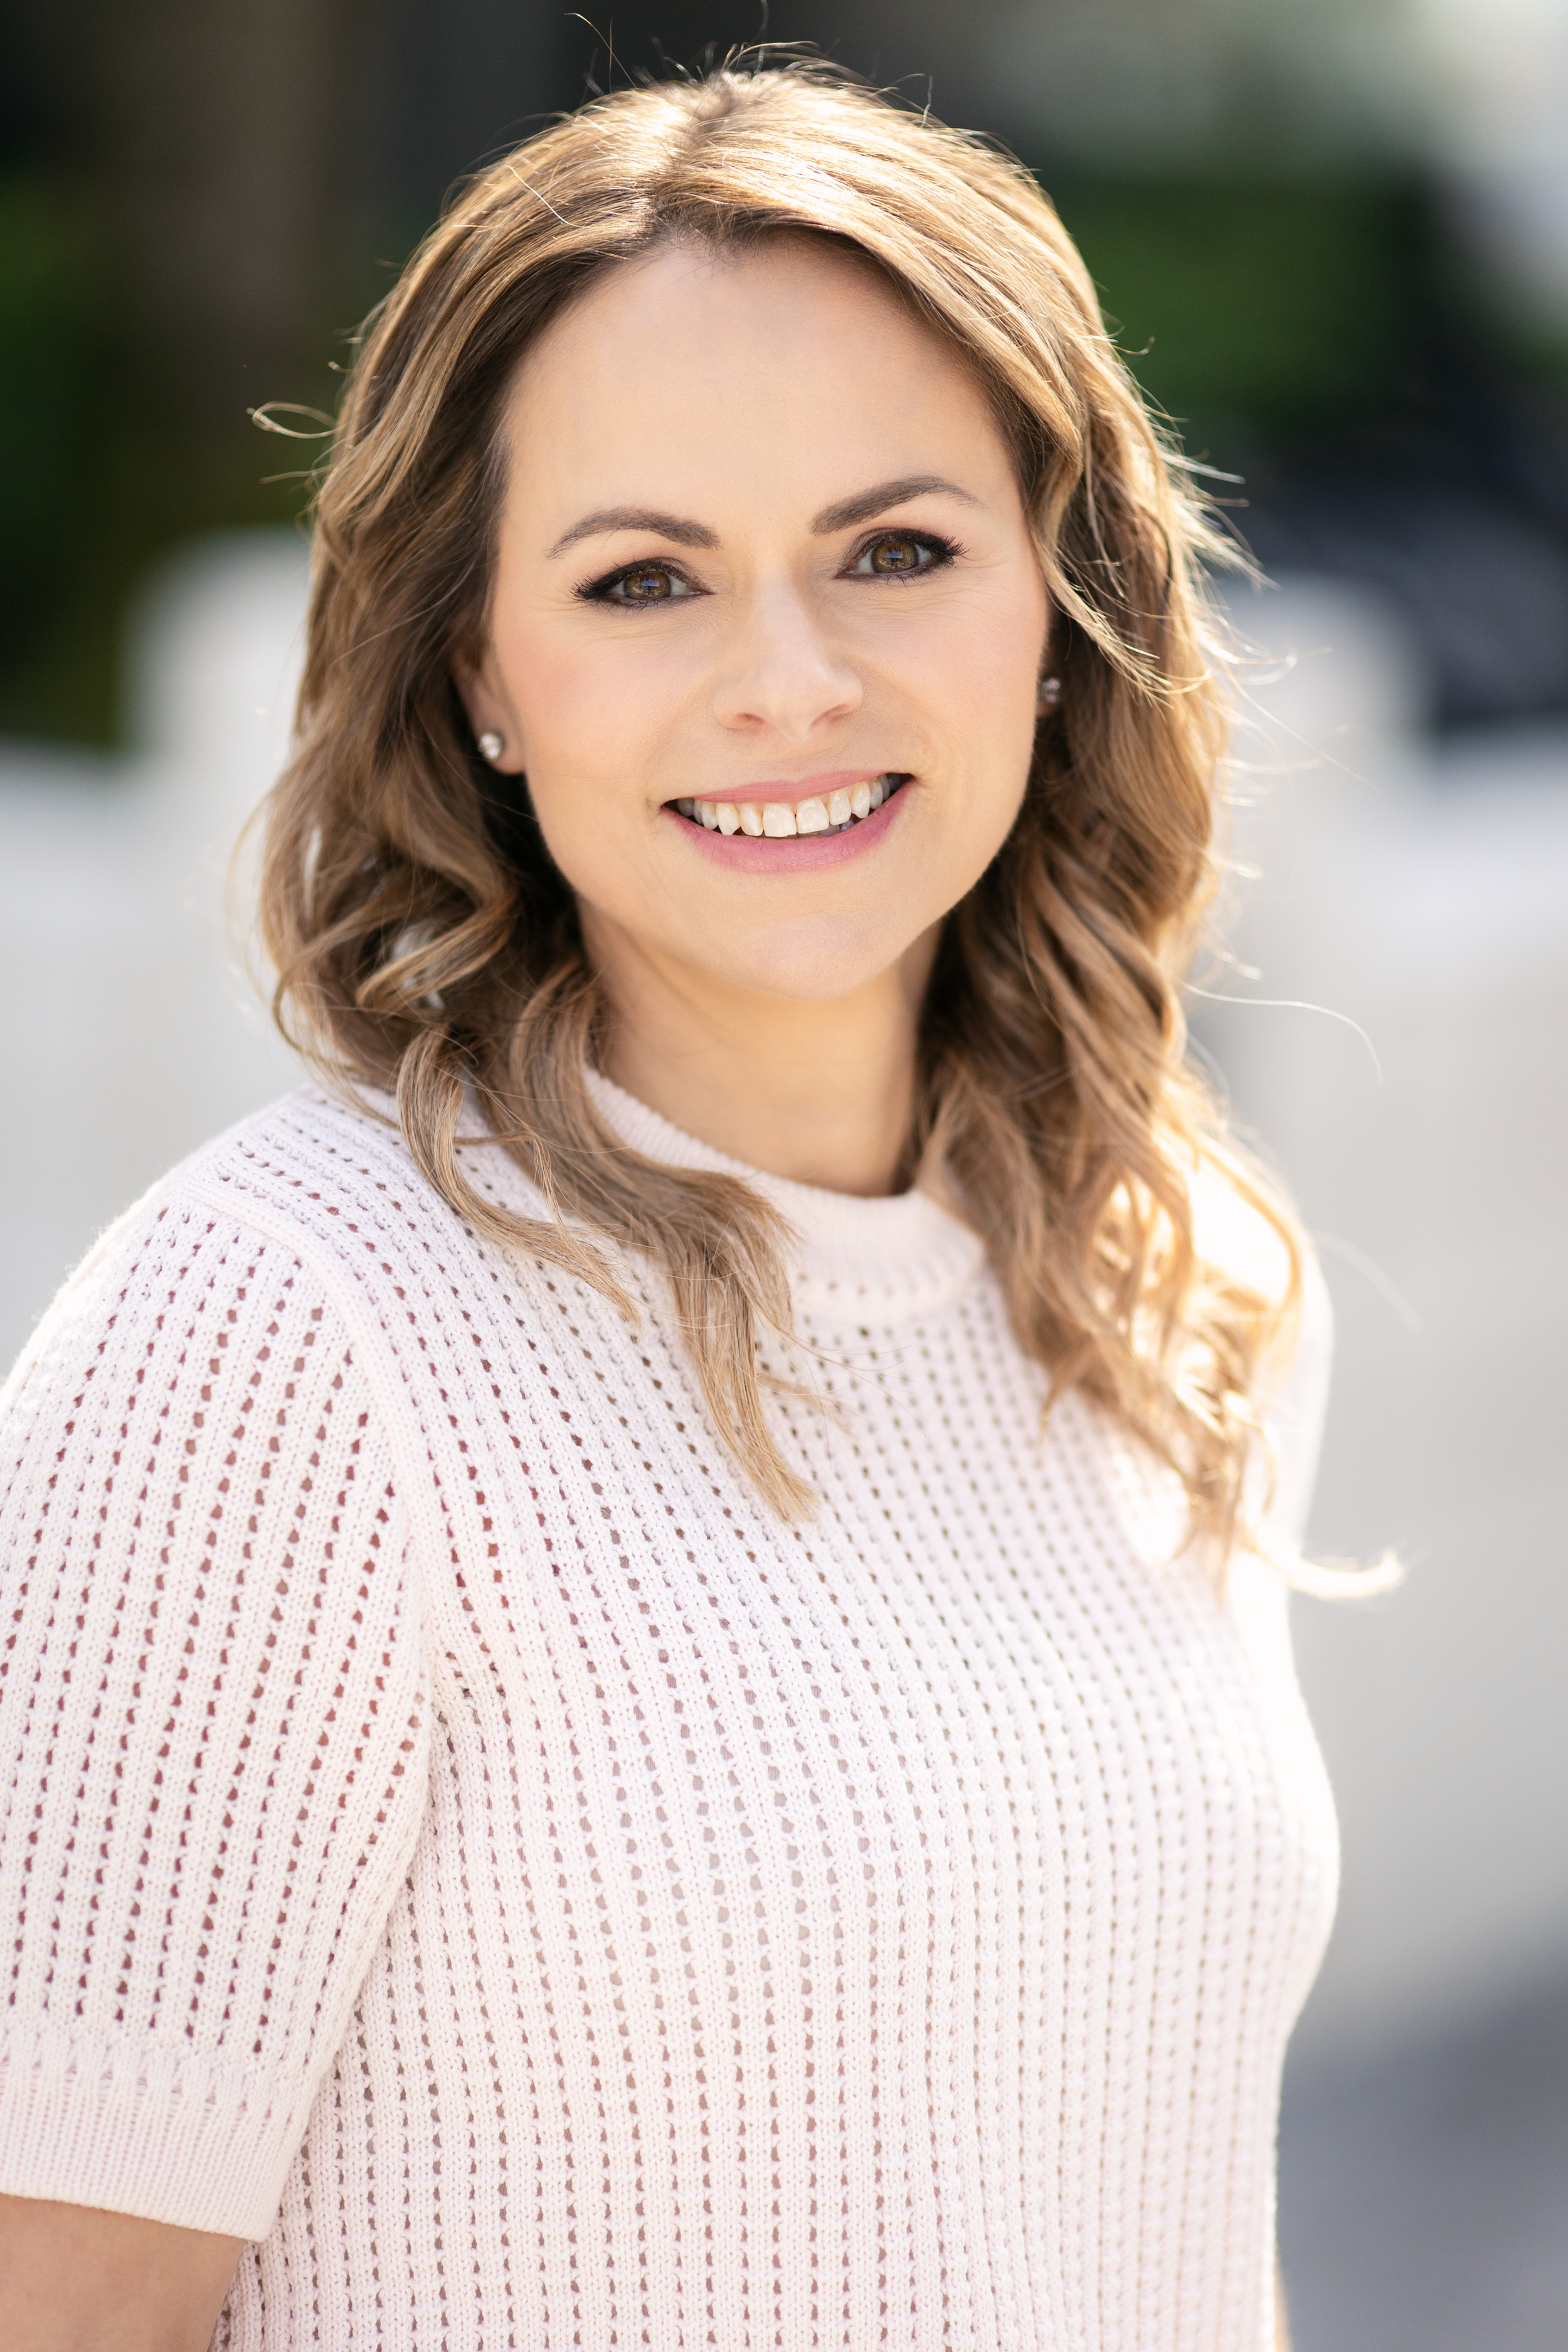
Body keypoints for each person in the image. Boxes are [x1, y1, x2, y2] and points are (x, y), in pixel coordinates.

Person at [0, 61, 1333, 2351]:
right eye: (641, 580)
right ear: (479, 672)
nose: (789, 681)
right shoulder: (278, 1332)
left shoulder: (1171, 1277)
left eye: (895, 549)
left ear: (1059, 598)